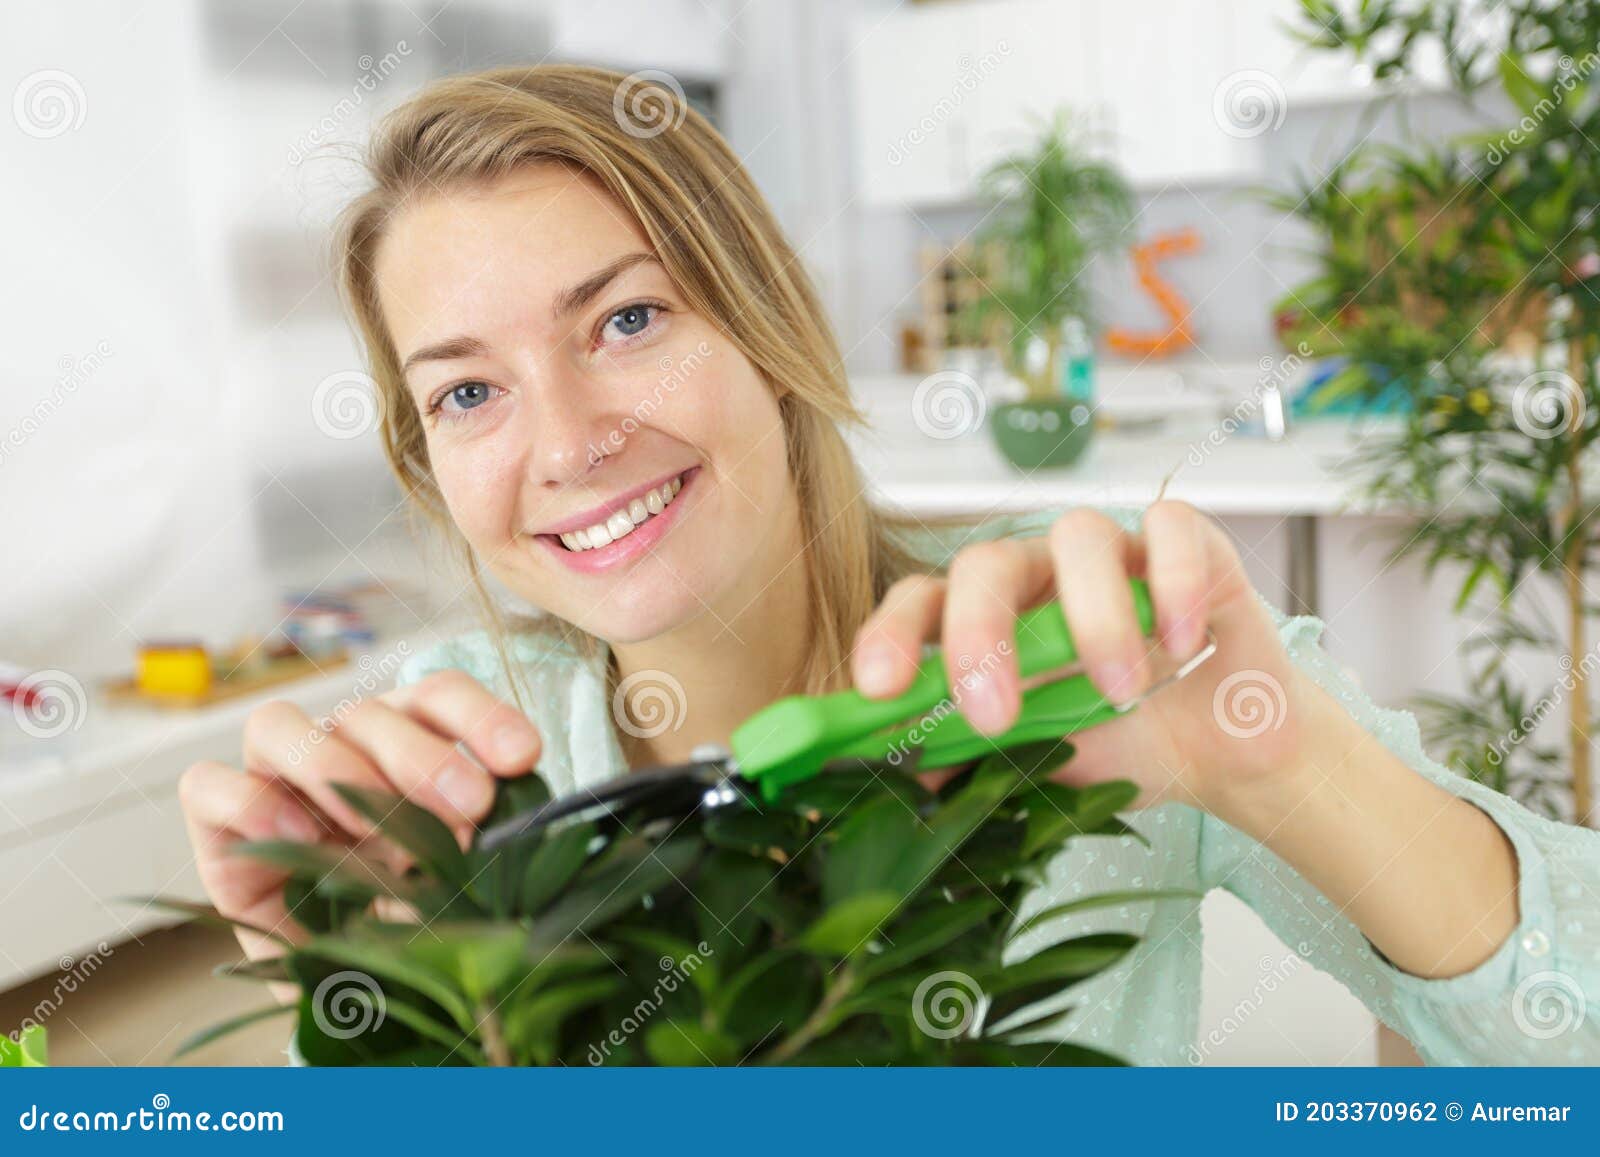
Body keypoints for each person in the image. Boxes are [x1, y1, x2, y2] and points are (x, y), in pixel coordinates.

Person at [179, 65, 1599, 1066]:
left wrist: (1284, 760)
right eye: (469, 393)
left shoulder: (1084, 655)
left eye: (623, 321)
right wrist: (361, 1008)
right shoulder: (444, 769)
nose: (567, 442)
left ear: (769, 323)